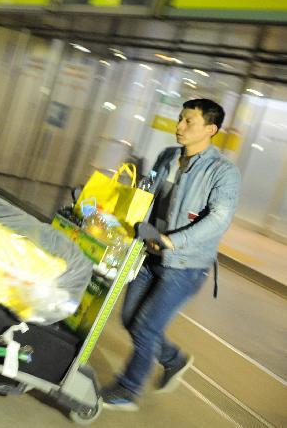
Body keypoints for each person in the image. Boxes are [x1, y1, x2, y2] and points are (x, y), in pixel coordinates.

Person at [101, 98, 241, 411]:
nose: (179, 126)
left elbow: (219, 219)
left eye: (188, 121)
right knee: (129, 319)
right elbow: (149, 197)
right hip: (150, 255)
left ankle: (128, 389)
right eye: (180, 119)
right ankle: (173, 359)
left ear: (210, 129)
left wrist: (172, 241)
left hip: (185, 266)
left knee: (146, 327)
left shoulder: (223, 172)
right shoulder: (167, 157)